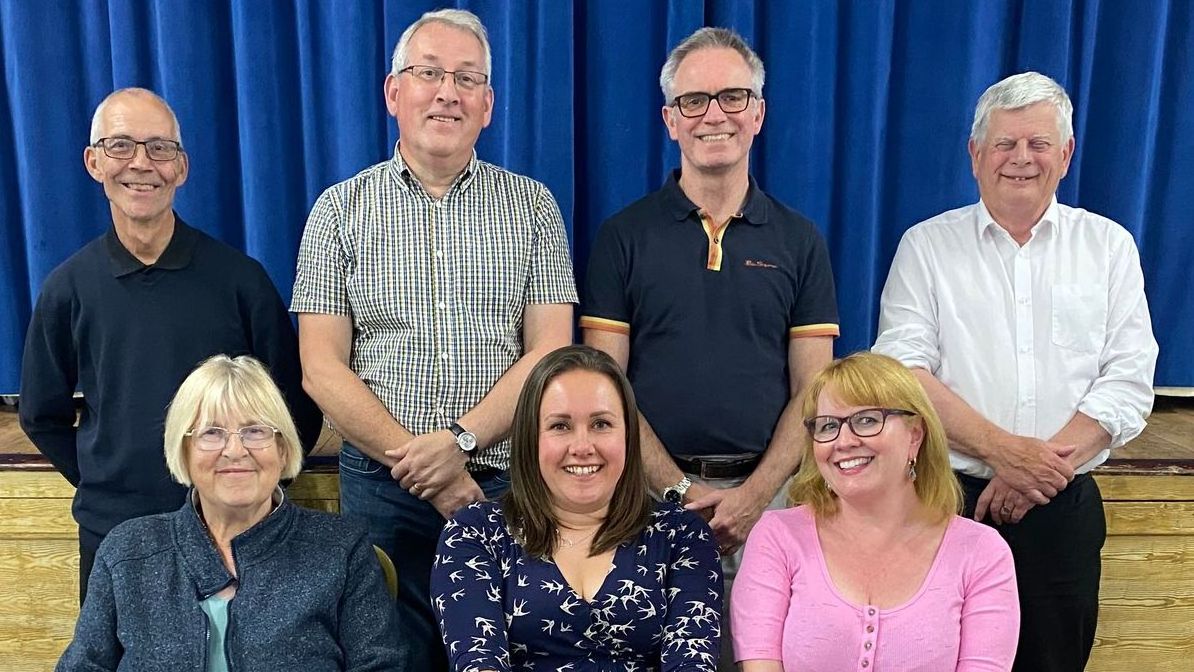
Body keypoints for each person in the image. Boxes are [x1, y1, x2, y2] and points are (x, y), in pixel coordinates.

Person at [292, 8, 577, 670]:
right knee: (390, 657)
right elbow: (321, 368)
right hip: (384, 491)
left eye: (466, 78)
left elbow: (550, 352)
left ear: (488, 105)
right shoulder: (339, 211)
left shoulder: (534, 207)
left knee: (513, 654)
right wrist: (427, 470)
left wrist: (460, 445)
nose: (447, 91)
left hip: (511, 485)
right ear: (395, 93)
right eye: (428, 73)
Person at [873, 71, 1158, 672]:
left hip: (1062, 508)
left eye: (1038, 143)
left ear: (1067, 154)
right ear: (975, 155)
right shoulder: (925, 247)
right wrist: (1006, 453)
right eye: (1004, 144)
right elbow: (903, 373)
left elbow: (1129, 379)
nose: (1021, 159)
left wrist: (1036, 470)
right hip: (942, 501)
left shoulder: (1109, 247)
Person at [581, 27, 837, 669]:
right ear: (670, 120)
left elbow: (816, 391)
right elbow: (602, 389)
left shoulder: (800, 241)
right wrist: (677, 492)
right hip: (642, 498)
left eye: (732, 96)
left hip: (773, 499)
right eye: (694, 101)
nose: (714, 114)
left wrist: (753, 499)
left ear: (758, 112)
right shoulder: (623, 237)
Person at [19, 87, 320, 604]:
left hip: (235, 531)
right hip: (114, 535)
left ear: (181, 167)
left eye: (160, 148)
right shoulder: (67, 289)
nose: (141, 163)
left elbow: (297, 409)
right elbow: (41, 415)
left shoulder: (240, 281)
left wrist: (248, 489)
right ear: (94, 162)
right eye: (121, 146)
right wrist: (105, 481)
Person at [56, 354, 401, 671]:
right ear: (184, 450)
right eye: (212, 433)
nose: (235, 450)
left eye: (255, 431)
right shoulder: (128, 551)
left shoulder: (342, 550)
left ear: (282, 450)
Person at [431, 345, 723, 671]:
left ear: (629, 436)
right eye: (560, 426)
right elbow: (479, 663)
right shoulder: (476, 533)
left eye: (601, 424)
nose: (583, 447)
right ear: (531, 438)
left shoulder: (682, 535)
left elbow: (691, 664)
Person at [732, 352, 1019, 671]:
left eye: (866, 420)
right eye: (827, 426)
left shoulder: (983, 553)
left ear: (915, 435)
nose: (843, 441)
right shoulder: (776, 536)